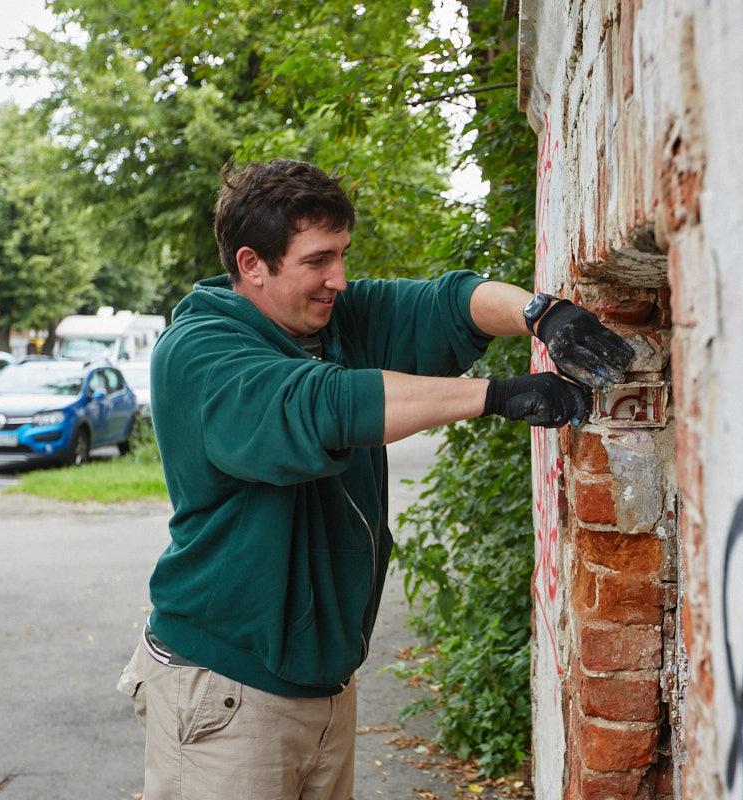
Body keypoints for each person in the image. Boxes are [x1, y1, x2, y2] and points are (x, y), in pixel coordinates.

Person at [116, 158, 634, 800]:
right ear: (253, 264)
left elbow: (448, 303)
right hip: (224, 689)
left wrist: (542, 314)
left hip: (324, 687)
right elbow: (324, 407)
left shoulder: (334, 321)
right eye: (317, 260)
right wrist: (496, 394)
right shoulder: (199, 352)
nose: (337, 277)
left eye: (342, 254)